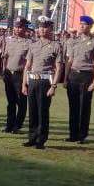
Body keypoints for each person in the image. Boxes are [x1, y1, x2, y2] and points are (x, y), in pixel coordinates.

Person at [22, 18, 63, 149]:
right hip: (33, 80)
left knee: (42, 111)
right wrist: (24, 84)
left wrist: (54, 86)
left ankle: (41, 139)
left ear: (50, 29)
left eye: (45, 27)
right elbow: (27, 66)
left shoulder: (56, 46)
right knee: (32, 111)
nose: (42, 30)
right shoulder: (33, 45)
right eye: (40, 27)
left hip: (46, 82)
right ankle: (32, 138)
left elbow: (58, 68)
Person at [65, 15, 94, 144]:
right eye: (80, 23)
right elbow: (69, 61)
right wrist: (65, 78)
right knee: (73, 106)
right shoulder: (73, 41)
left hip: (86, 76)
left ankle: (82, 135)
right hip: (73, 75)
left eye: (84, 24)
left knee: (84, 106)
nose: (81, 26)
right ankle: (73, 134)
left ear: (90, 26)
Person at [1, 18, 30, 133]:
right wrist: (3, 70)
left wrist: (26, 79)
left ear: (25, 28)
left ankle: (17, 126)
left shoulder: (29, 43)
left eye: (20, 27)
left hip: (20, 75)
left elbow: (29, 63)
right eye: (16, 27)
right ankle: (9, 125)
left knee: (21, 102)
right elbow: (5, 57)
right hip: (9, 74)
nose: (18, 29)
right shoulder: (9, 41)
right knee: (10, 102)